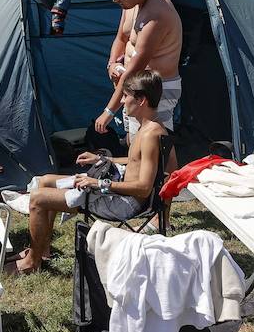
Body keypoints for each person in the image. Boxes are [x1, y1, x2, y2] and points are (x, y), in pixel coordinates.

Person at [14, 70, 167, 274]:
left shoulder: (150, 134)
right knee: (45, 181)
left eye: (126, 96)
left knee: (38, 197)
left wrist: (99, 184)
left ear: (141, 100)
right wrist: (102, 160)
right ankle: (43, 250)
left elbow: (143, 188)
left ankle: (31, 263)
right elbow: (135, 161)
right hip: (119, 193)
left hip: (124, 204)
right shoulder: (148, 127)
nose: (121, 101)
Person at [93, 0, 183, 145]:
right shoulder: (131, 1)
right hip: (132, 87)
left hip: (157, 89)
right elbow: (121, 37)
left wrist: (109, 111)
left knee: (152, 148)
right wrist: (112, 64)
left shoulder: (157, 14)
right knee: (134, 144)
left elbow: (136, 67)